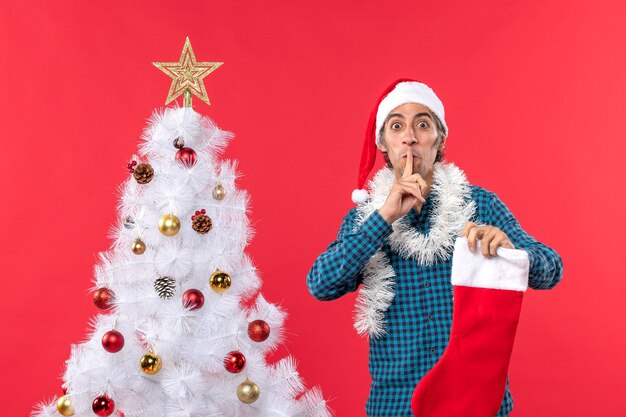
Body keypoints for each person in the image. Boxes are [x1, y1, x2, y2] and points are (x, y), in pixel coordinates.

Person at [306, 79, 563, 417]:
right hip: (396, 405)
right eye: (396, 126)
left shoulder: (480, 205)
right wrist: (384, 217)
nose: (409, 136)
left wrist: (512, 249)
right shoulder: (365, 216)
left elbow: (551, 270)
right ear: (384, 143)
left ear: (440, 140)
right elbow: (320, 285)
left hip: (477, 403)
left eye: (422, 125)